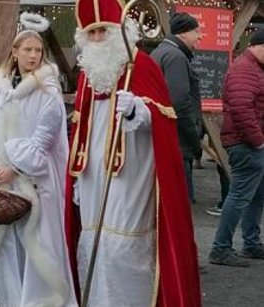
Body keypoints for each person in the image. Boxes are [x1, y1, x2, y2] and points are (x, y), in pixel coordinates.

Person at [64, 0, 201, 306]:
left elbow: (164, 123)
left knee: (120, 250)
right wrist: (75, 177)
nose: (98, 39)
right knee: (92, 246)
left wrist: (137, 110)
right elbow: (81, 128)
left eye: (104, 31)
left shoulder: (143, 66)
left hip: (131, 173)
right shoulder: (87, 74)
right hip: (91, 178)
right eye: (93, 33)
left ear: (120, 30)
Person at [0, 27, 77, 306]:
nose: (33, 55)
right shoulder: (1, 89)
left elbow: (44, 139)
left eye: (38, 50)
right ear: (14, 52)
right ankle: (3, 297)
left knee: (36, 247)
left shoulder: (48, 91)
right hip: (0, 181)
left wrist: (15, 168)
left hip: (35, 182)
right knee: (0, 245)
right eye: (27, 49)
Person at [208, 29, 264, 267]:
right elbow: (242, 109)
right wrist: (259, 141)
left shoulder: (253, 68)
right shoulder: (245, 69)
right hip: (246, 144)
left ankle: (251, 243)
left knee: (256, 197)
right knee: (240, 195)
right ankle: (221, 248)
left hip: (250, 142)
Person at [151, 12, 203, 204]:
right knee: (179, 204)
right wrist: (194, 137)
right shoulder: (176, 57)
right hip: (178, 143)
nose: (200, 36)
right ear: (183, 33)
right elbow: (179, 103)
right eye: (196, 31)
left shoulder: (161, 52)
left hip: (167, 140)